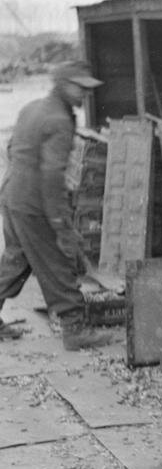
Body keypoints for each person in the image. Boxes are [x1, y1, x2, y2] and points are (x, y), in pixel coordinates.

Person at [0, 61, 114, 350]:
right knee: (58, 263)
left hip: (13, 195)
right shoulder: (59, 121)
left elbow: (11, 148)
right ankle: (75, 328)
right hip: (35, 203)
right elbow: (52, 179)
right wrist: (62, 227)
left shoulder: (32, 108)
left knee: (16, 261)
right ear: (61, 84)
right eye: (78, 86)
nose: (83, 94)